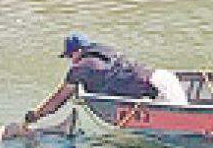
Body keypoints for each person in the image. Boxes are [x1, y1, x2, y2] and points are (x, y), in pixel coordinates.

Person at [21, 34, 187, 128]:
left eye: (70, 56)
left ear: (78, 52)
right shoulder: (106, 52)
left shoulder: (82, 67)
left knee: (179, 125)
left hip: (159, 89)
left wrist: (35, 115)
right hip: (164, 77)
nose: (71, 61)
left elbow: (58, 99)